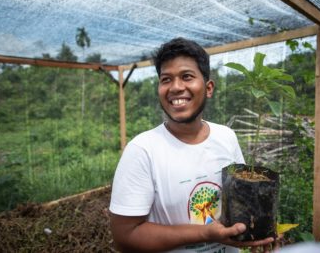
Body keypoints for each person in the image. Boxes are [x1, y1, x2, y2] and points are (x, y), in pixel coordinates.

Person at [109, 37, 275, 253]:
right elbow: (124, 237)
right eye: (166, 79)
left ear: (208, 88)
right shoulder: (142, 150)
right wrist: (205, 233)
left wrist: (256, 231)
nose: (176, 87)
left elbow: (242, 199)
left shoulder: (226, 136)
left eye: (186, 76)